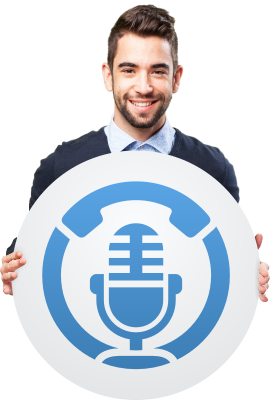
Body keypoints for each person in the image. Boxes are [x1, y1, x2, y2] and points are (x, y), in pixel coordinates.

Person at [1, 5, 269, 301]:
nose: (143, 87)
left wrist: (248, 275)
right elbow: (30, 257)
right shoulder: (61, 168)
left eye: (158, 71)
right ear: (108, 76)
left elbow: (222, 272)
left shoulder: (213, 170)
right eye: (129, 70)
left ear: (176, 78)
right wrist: (13, 271)